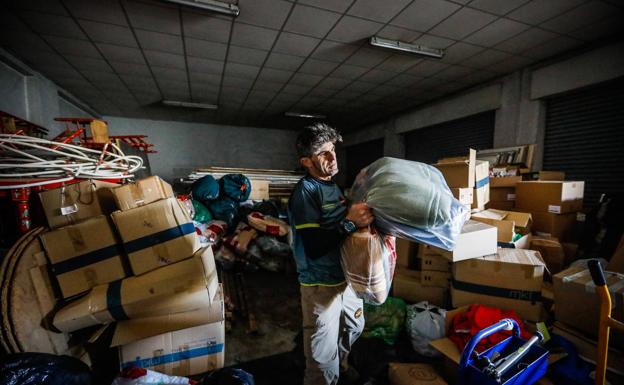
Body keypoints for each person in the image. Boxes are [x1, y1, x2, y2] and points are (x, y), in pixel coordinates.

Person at [288, 122, 374, 385]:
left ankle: (341, 365)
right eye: (323, 153)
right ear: (306, 161)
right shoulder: (305, 193)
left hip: (344, 277)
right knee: (321, 355)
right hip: (319, 284)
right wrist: (349, 222)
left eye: (333, 149)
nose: (332, 156)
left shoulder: (332, 186)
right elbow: (314, 246)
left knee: (355, 327)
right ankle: (324, 376)